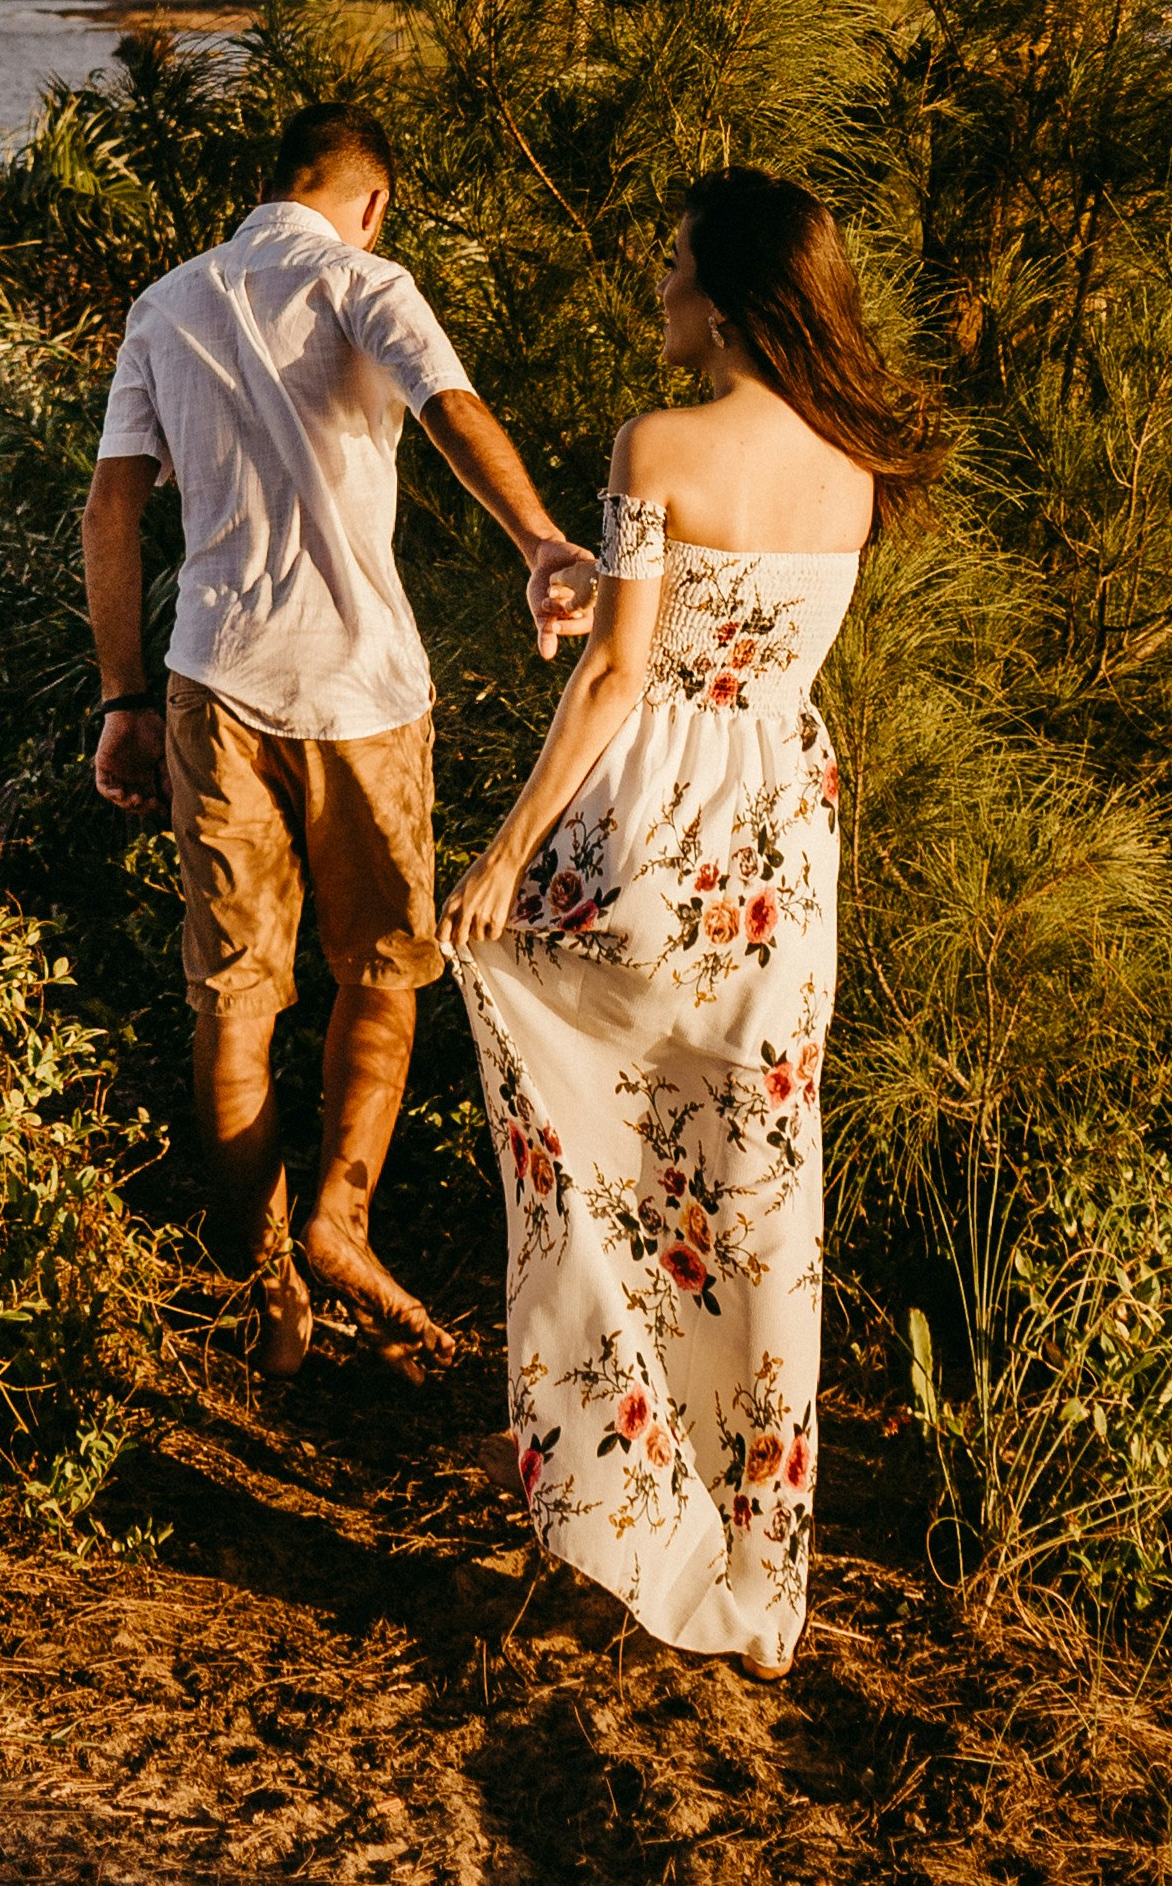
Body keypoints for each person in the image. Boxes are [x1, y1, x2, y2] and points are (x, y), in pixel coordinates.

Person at [439, 168, 938, 1672]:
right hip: (783, 837)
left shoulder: (655, 438)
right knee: (754, 1180)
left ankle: (620, 1474)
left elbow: (616, 681)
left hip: (650, 826)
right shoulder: (857, 457)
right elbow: (742, 621)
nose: (655, 290)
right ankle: (748, 1552)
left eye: (669, 268)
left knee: (580, 1128)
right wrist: (607, 589)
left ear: (719, 298)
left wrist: (507, 852)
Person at [84, 100, 591, 1369]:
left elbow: (110, 509)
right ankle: (342, 1222)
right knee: (383, 965)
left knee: (235, 993)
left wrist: (123, 698)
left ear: (281, 182)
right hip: (365, 689)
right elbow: (452, 410)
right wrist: (540, 542)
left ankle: (263, 1286)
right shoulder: (367, 278)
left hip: (212, 681)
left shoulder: (167, 302)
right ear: (374, 197)